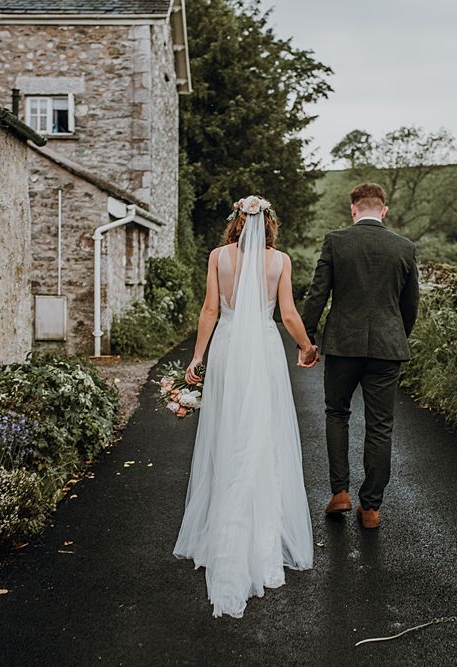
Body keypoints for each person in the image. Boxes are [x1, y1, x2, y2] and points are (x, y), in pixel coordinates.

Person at [173, 195, 316, 619]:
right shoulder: (281, 262)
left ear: (237, 222)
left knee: (228, 432)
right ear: (268, 225)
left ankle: (222, 535)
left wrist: (198, 358)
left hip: (230, 347)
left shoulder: (218, 257)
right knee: (263, 432)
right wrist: (307, 345)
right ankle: (260, 539)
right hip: (265, 350)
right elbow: (287, 313)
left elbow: (211, 310)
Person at [302, 183, 419, 529]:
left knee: (336, 413)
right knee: (380, 426)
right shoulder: (404, 247)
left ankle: (340, 493)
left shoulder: (336, 241)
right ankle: (370, 509)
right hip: (387, 348)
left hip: (342, 345)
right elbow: (410, 305)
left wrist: (307, 338)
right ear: (384, 210)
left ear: (353, 209)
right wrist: (397, 336)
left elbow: (318, 293)